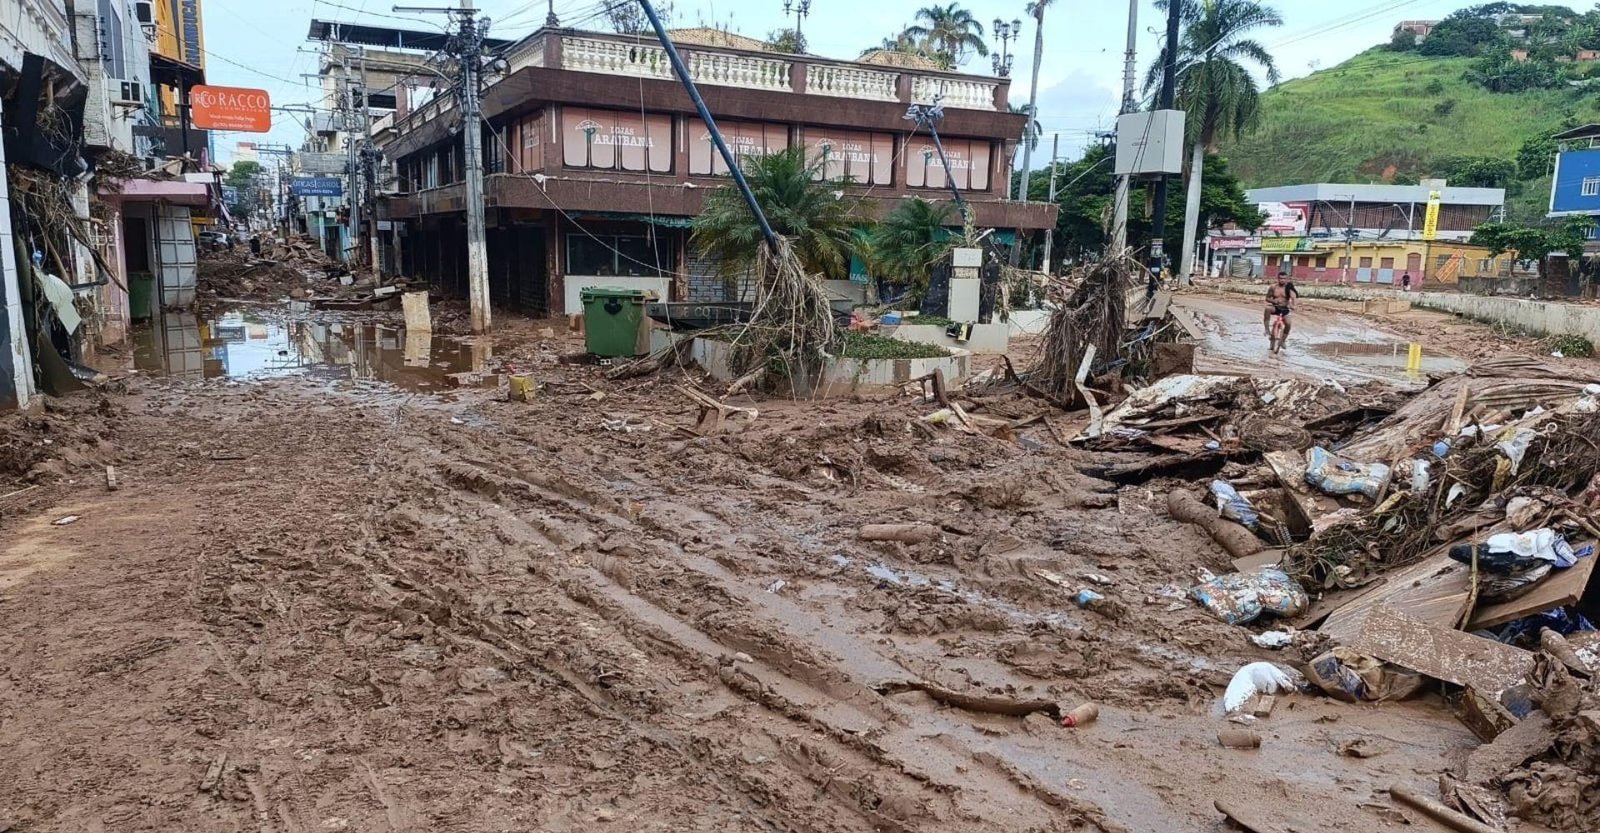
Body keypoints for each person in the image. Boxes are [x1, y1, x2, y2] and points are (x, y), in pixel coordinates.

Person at [1263, 271, 1296, 346]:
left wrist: (1293, 305)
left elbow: (1293, 298)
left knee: (1288, 324)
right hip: (1276, 307)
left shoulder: (1289, 288)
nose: (1282, 280)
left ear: (1287, 279)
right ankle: (1267, 329)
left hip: (1285, 309)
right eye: (1281, 278)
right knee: (1267, 308)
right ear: (1278, 279)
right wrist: (1274, 301)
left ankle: (1283, 341)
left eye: (1284, 278)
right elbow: (1267, 298)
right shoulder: (1273, 287)